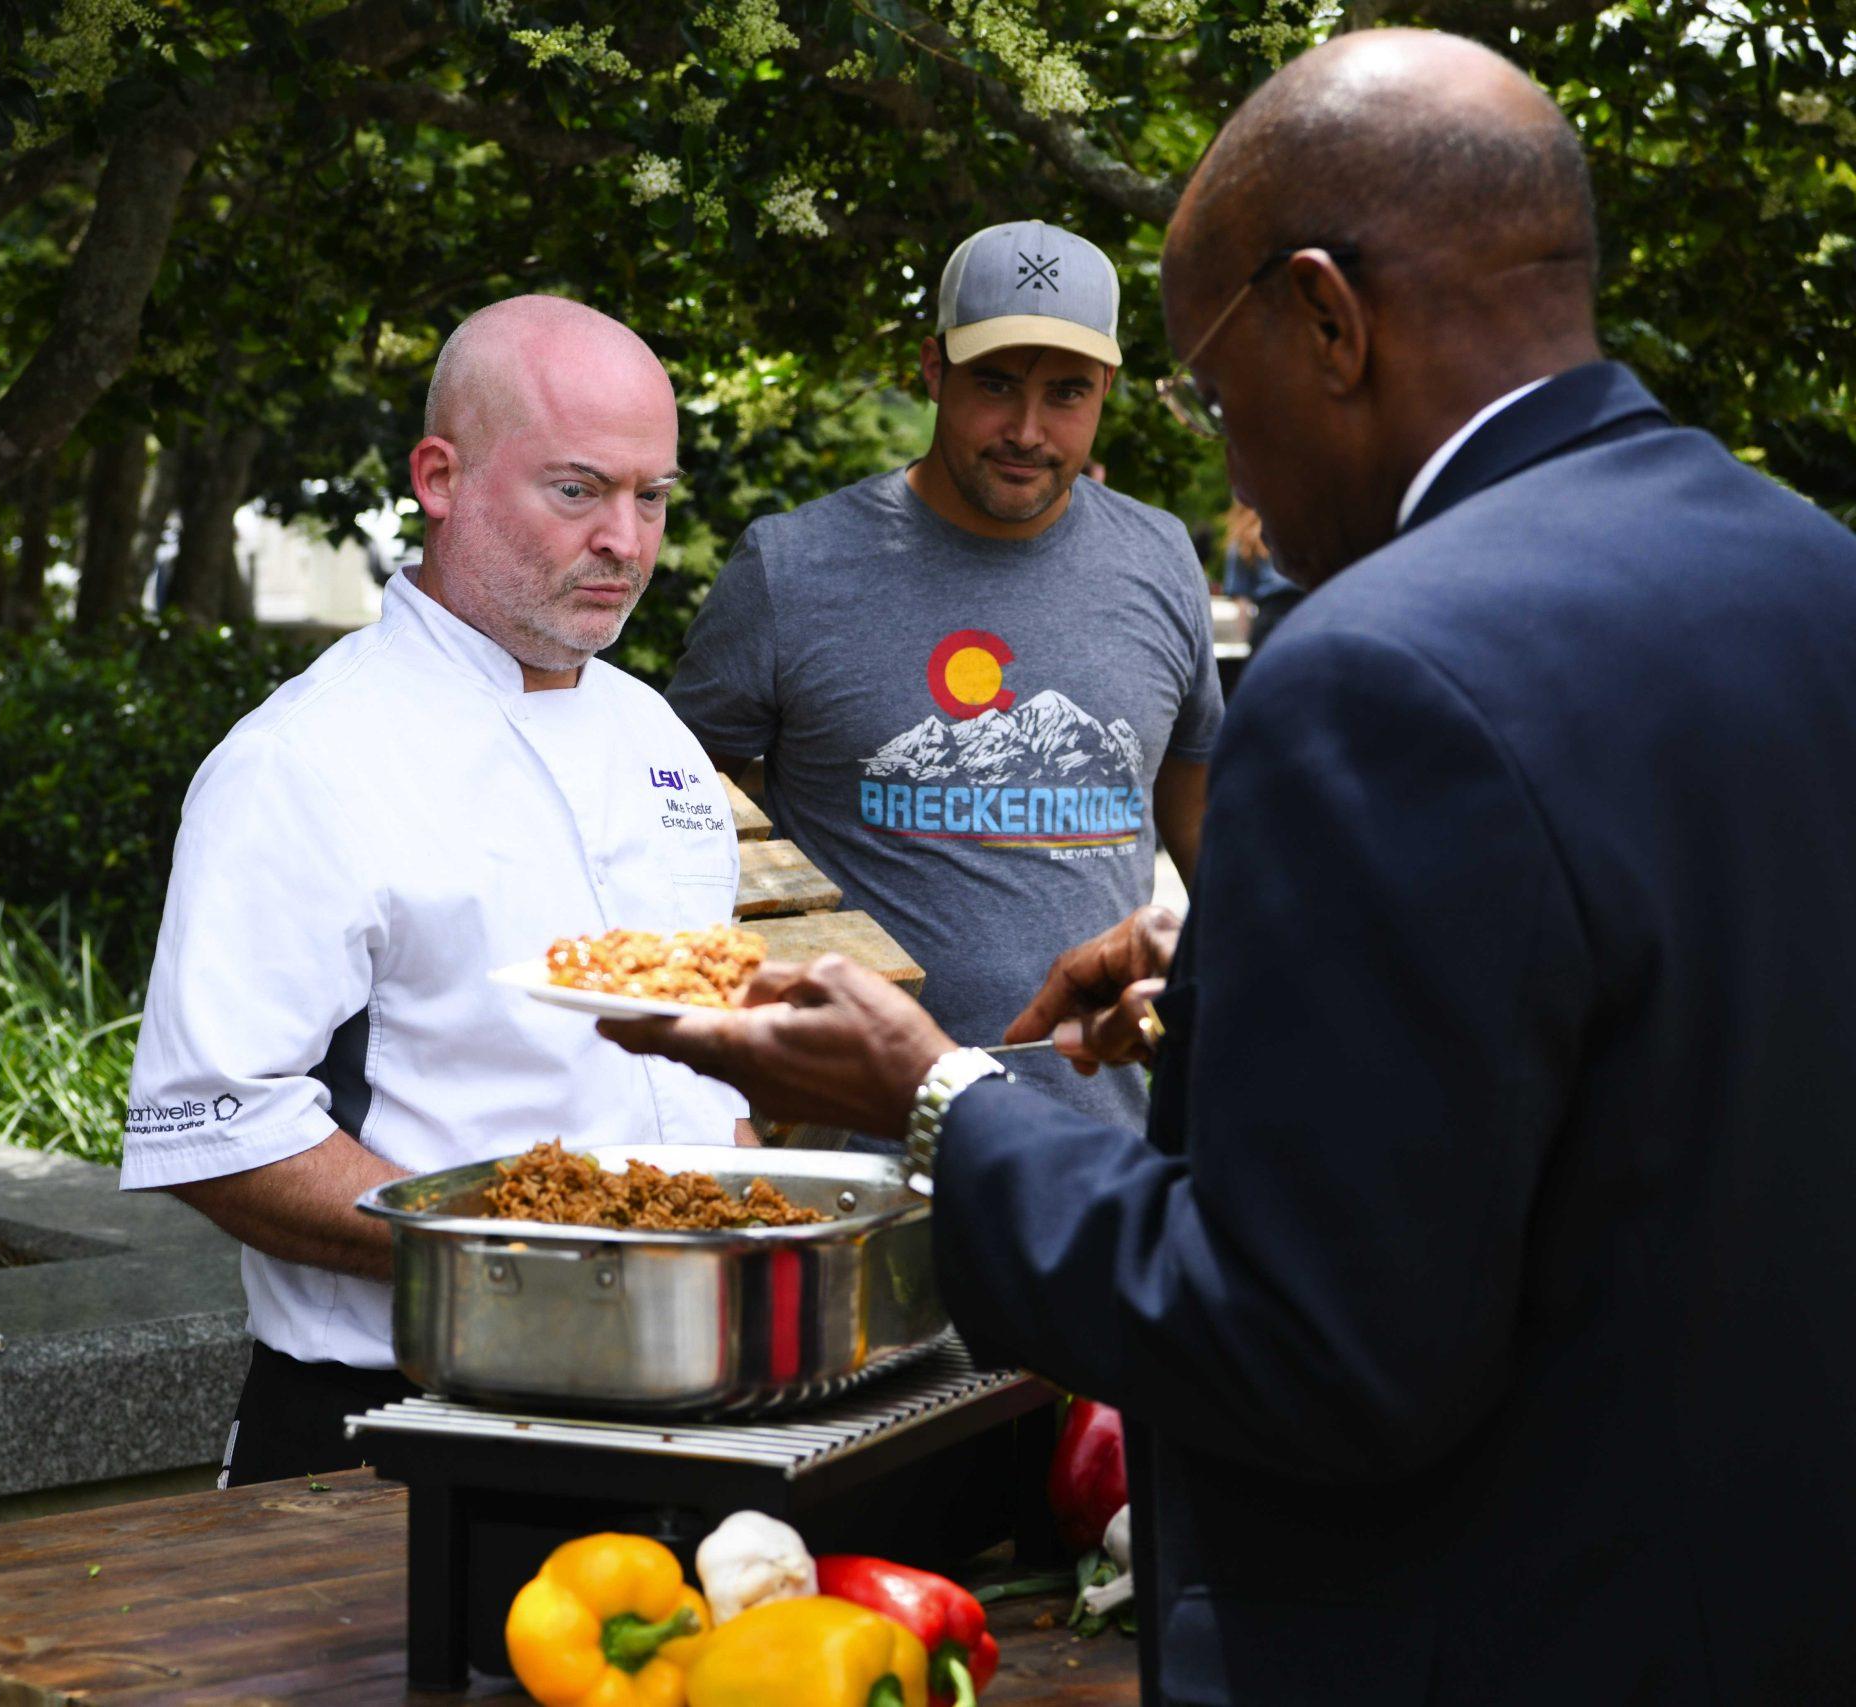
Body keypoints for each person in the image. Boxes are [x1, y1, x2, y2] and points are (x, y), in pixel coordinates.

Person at [605, 29, 1856, 1704]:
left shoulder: (1382, 665)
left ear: (1328, 321)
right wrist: (1258, 986)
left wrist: (944, 1097)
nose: (1226, 464)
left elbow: (1304, 1344)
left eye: (1207, 384)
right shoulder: (1815, 580)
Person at [124, 296, 754, 1488]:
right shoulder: (304, 761)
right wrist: (528, 1253)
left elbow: (694, 1063)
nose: (626, 539)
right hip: (393, 1432)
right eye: (577, 490)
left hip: (679, 1399)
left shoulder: (652, 730)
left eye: (652, 496)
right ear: (441, 477)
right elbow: (213, 1128)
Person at [663, 219, 1222, 1139]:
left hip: (1096, 1143)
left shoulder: (1160, 558)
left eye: (1067, 393)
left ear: (1108, 391)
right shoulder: (792, 567)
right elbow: (666, 825)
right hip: (840, 1153)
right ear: (933, 370)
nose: (1028, 431)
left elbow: (1205, 823)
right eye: (995, 384)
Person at [1216, 501, 1299, 651]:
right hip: (1303, 610)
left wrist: (1247, 640)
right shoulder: (1295, 527)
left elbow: (1242, 601)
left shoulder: (1242, 540)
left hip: (1269, 619)